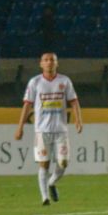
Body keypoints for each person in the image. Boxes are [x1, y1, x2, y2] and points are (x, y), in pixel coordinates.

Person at [15, 52, 83, 205]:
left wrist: (79, 119)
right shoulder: (35, 82)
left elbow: (74, 101)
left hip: (61, 130)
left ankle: (51, 183)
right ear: (41, 64)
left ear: (57, 63)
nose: (49, 62)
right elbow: (27, 105)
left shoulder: (64, 81)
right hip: (41, 131)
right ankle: (44, 197)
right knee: (44, 163)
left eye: (52, 60)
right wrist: (20, 127)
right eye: (46, 60)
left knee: (63, 162)